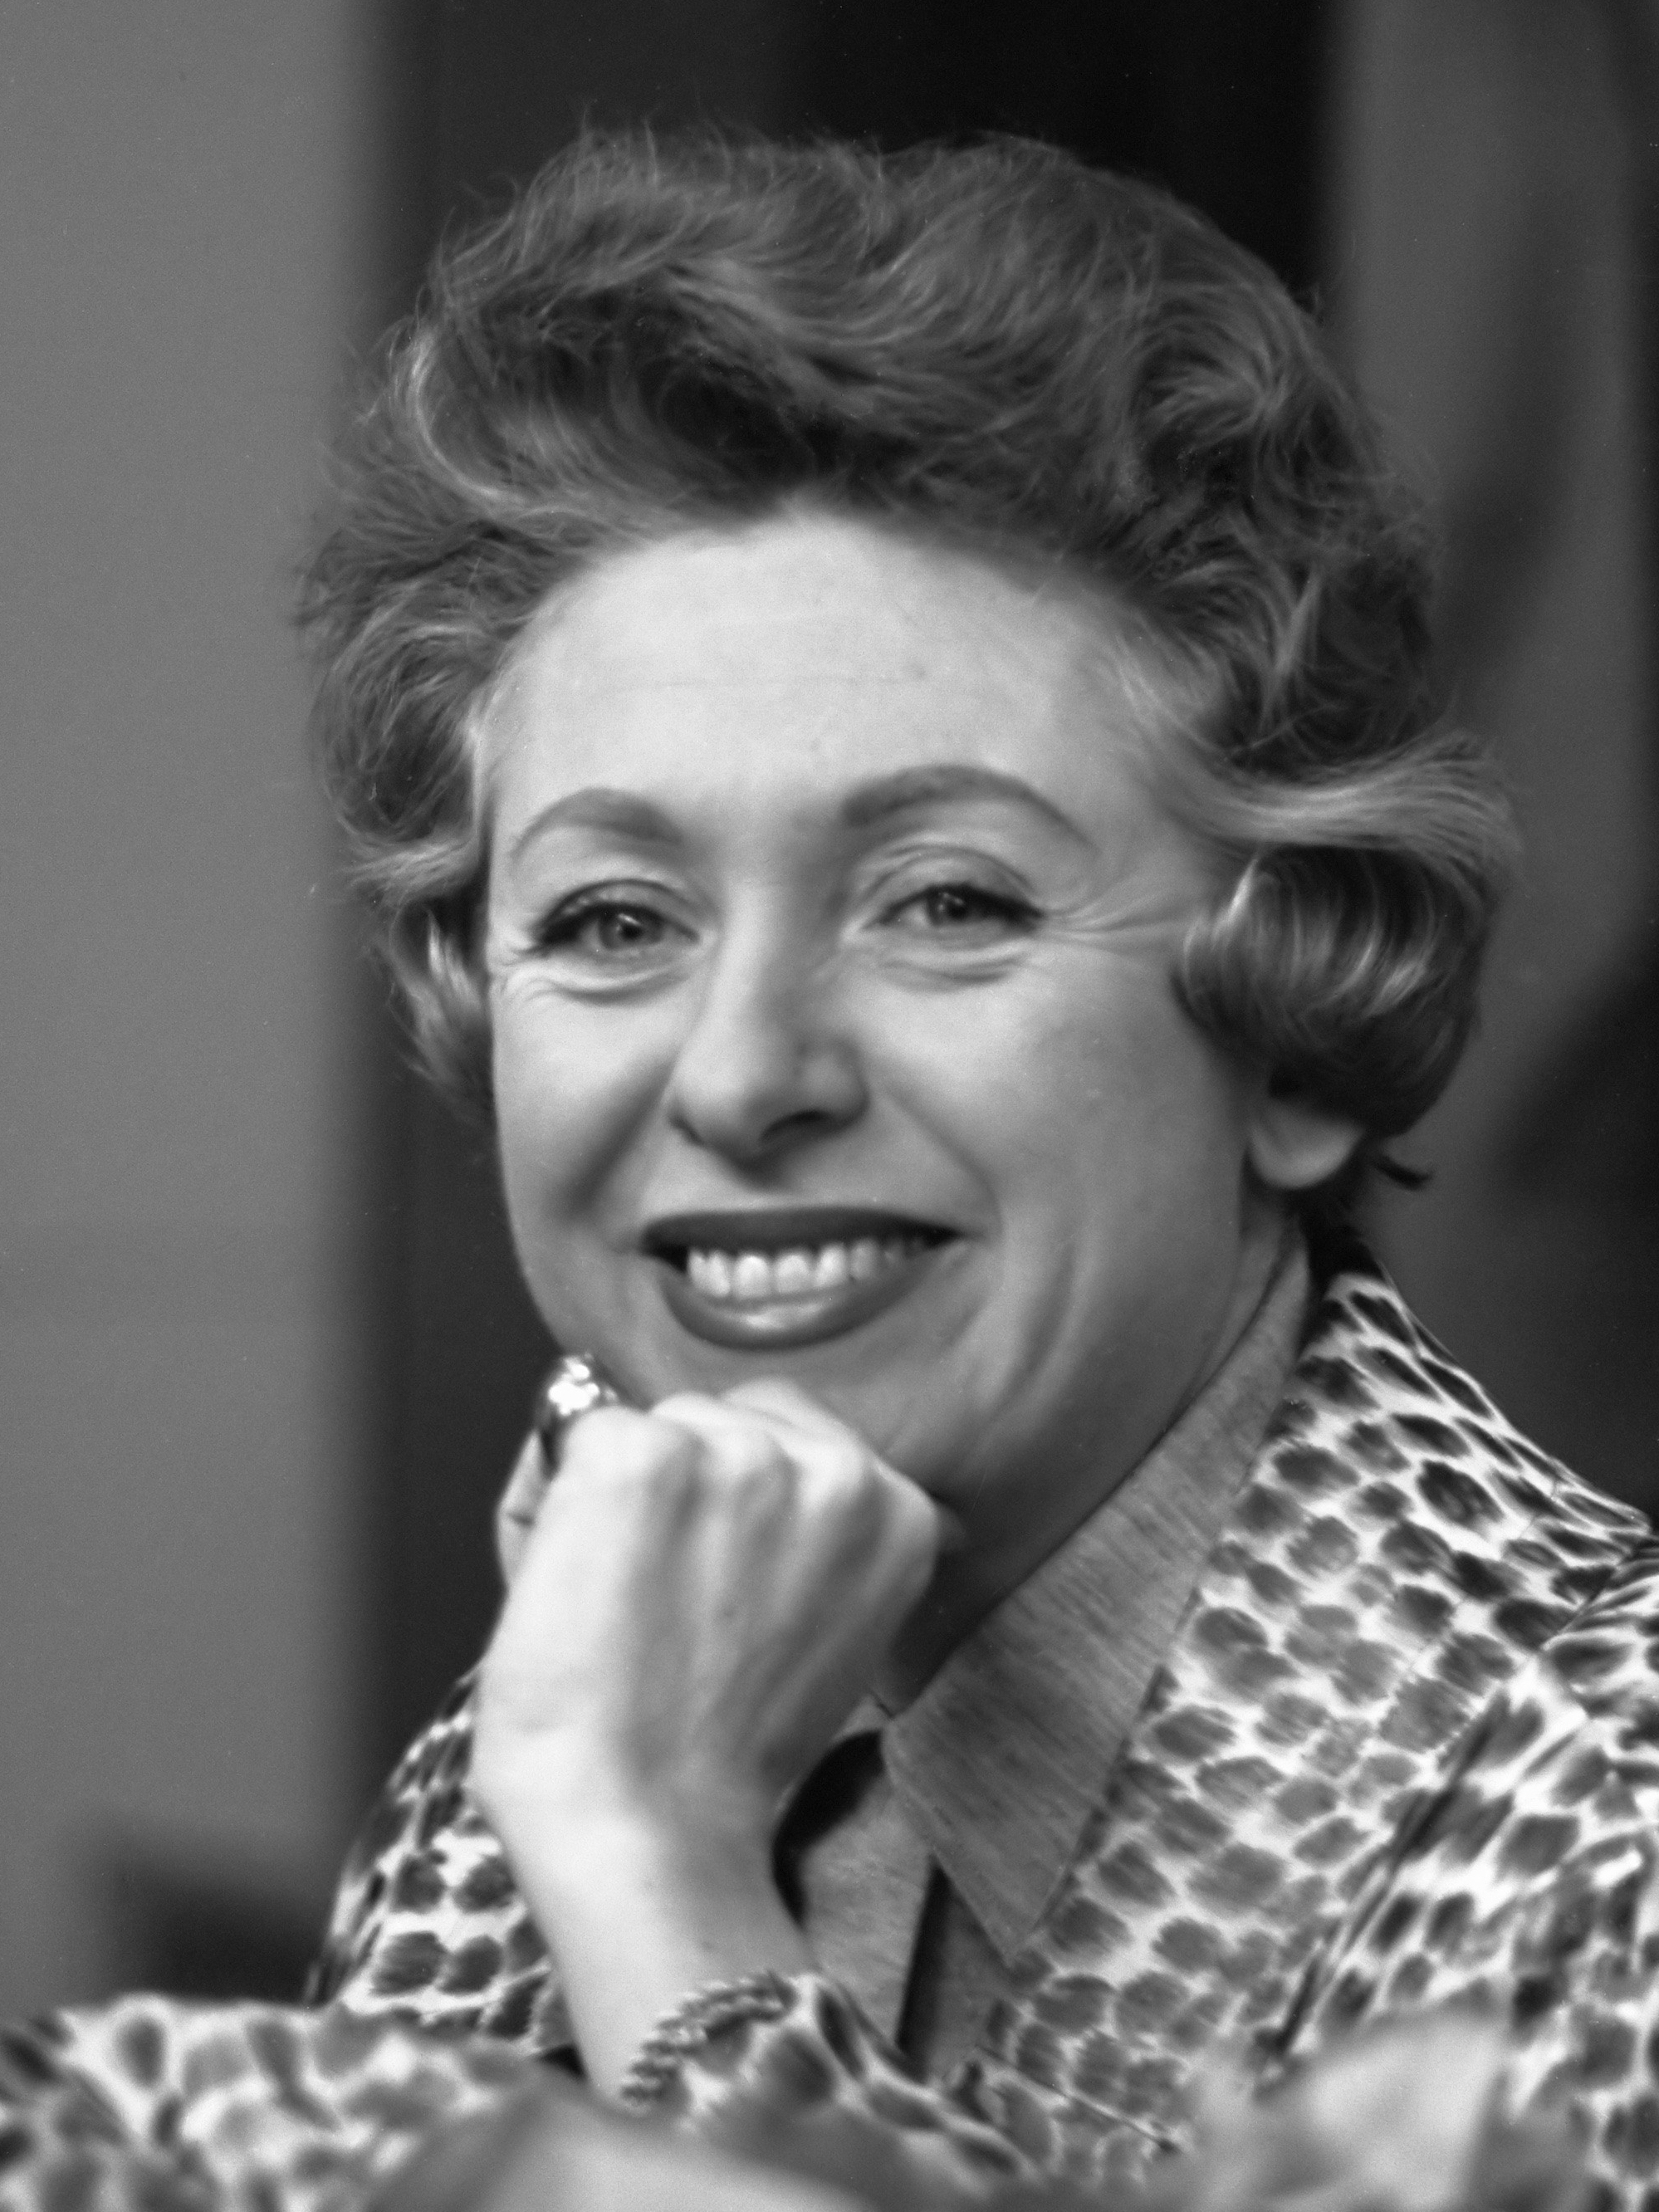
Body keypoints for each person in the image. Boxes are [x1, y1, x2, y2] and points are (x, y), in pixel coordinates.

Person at [2, 130, 1655, 2212]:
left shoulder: (1609, 1806)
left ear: (1302, 1018)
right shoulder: (557, 1738)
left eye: (946, 901)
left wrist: (667, 1902)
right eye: (615, 921)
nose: (744, 1075)